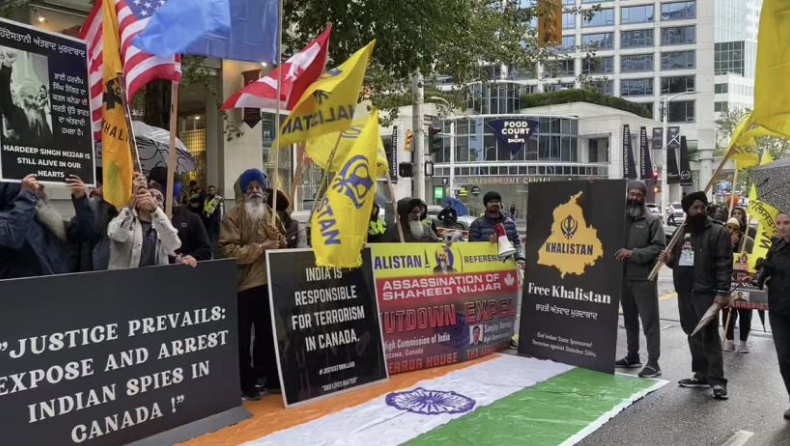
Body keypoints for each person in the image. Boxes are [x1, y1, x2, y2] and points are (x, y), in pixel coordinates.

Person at [219, 169, 286, 400]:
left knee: (267, 335)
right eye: (251, 186)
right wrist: (262, 247)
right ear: (244, 191)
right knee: (243, 338)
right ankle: (245, 382)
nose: (255, 190)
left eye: (259, 186)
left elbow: (282, 246)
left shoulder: (271, 214)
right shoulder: (233, 216)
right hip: (243, 286)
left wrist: (280, 240)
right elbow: (228, 252)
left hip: (269, 283)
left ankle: (266, 376)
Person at [659, 191, 732, 400]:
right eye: (695, 208)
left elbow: (724, 265)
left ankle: (718, 381)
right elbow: (680, 262)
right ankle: (701, 375)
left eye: (702, 207)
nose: (699, 211)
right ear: (687, 211)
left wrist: (722, 292)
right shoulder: (682, 233)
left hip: (705, 292)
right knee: (692, 333)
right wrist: (669, 260)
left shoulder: (718, 232)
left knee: (708, 336)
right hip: (684, 291)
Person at [0, 174, 97, 279]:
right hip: (22, 291)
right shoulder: (10, 220)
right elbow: (10, 240)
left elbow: (86, 233)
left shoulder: (46, 218)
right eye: (35, 186)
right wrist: (27, 196)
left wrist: (80, 199)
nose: (42, 187)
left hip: (56, 286)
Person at [614, 181, 666, 378]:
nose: (634, 197)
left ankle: (653, 363)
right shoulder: (621, 218)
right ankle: (632, 356)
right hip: (623, 278)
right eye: (631, 193)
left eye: (638, 194)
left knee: (649, 322)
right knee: (629, 320)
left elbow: (659, 247)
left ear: (645, 197)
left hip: (644, 279)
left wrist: (632, 253)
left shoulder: (652, 221)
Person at [107, 174, 181, 269]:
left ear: (162, 206)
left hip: (154, 281)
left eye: (159, 198)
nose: (153, 199)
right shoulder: (123, 219)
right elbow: (117, 235)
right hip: (125, 281)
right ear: (137, 201)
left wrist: (155, 209)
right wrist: (129, 207)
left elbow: (172, 245)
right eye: (149, 195)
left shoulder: (162, 226)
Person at [757, 213, 790, 420]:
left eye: (786, 223)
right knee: (785, 358)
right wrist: (763, 271)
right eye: (778, 223)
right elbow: (767, 274)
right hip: (778, 310)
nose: (782, 227)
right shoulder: (775, 245)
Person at [0, 50, 53, 147]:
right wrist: (7, 64)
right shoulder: (14, 114)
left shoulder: (41, 117)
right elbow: (4, 93)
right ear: (20, 100)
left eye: (34, 97)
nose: (33, 101)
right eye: (29, 96)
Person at [70, 169, 119, 272]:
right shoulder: (84, 213)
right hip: (91, 270)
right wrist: (81, 200)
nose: (92, 190)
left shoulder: (121, 210)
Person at [468, 191, 526, 269]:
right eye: (491, 202)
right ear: (486, 205)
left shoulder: (510, 223)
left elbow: (517, 243)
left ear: (500, 204)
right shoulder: (477, 223)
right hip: (486, 267)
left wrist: (520, 258)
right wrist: (488, 243)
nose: (494, 203)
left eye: (497, 201)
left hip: (507, 267)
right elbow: (471, 246)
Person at [722, 217, 754, 353]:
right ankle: (729, 340)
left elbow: (753, 261)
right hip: (728, 281)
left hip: (743, 282)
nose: (731, 230)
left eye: (734, 228)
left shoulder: (748, 241)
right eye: (728, 227)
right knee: (727, 310)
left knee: (745, 311)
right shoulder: (722, 240)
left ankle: (743, 342)